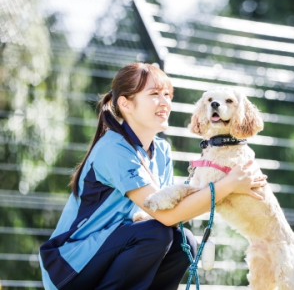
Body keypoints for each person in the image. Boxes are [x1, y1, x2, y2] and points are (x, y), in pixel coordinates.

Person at [38, 63, 267, 290]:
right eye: (154, 94)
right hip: (70, 266)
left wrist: (230, 185)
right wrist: (228, 185)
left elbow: (169, 214)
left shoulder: (161, 151)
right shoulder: (113, 148)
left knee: (184, 241)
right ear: (126, 104)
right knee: (156, 234)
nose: (165, 102)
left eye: (167, 94)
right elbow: (164, 217)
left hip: (112, 253)